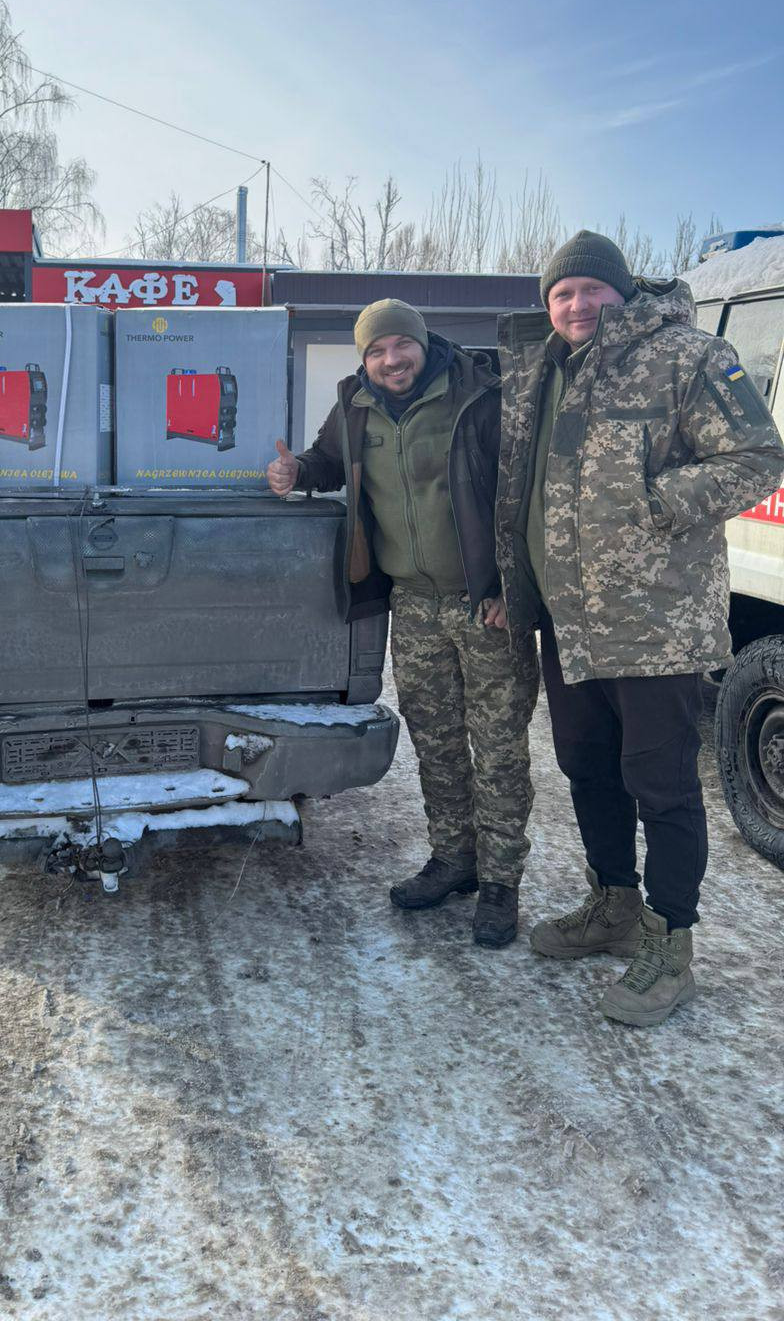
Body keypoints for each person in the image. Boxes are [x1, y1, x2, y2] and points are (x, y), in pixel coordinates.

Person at [496, 230, 784, 1025]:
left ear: (623, 292)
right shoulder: (542, 370)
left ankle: (671, 944)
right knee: (587, 769)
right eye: (562, 293)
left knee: (662, 787)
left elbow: (758, 457)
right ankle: (614, 905)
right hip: (568, 622)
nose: (578, 304)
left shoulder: (689, 358)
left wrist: (655, 502)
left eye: (593, 288)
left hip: (655, 622)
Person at [268, 299, 539, 947]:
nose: (391, 360)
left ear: (422, 343)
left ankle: (500, 884)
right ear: (364, 359)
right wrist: (297, 471)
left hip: (484, 604)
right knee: (437, 745)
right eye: (376, 351)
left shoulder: (480, 396)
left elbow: (525, 495)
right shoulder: (355, 407)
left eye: (400, 346)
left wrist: (514, 589)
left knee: (498, 749)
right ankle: (453, 860)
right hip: (412, 606)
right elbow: (327, 461)